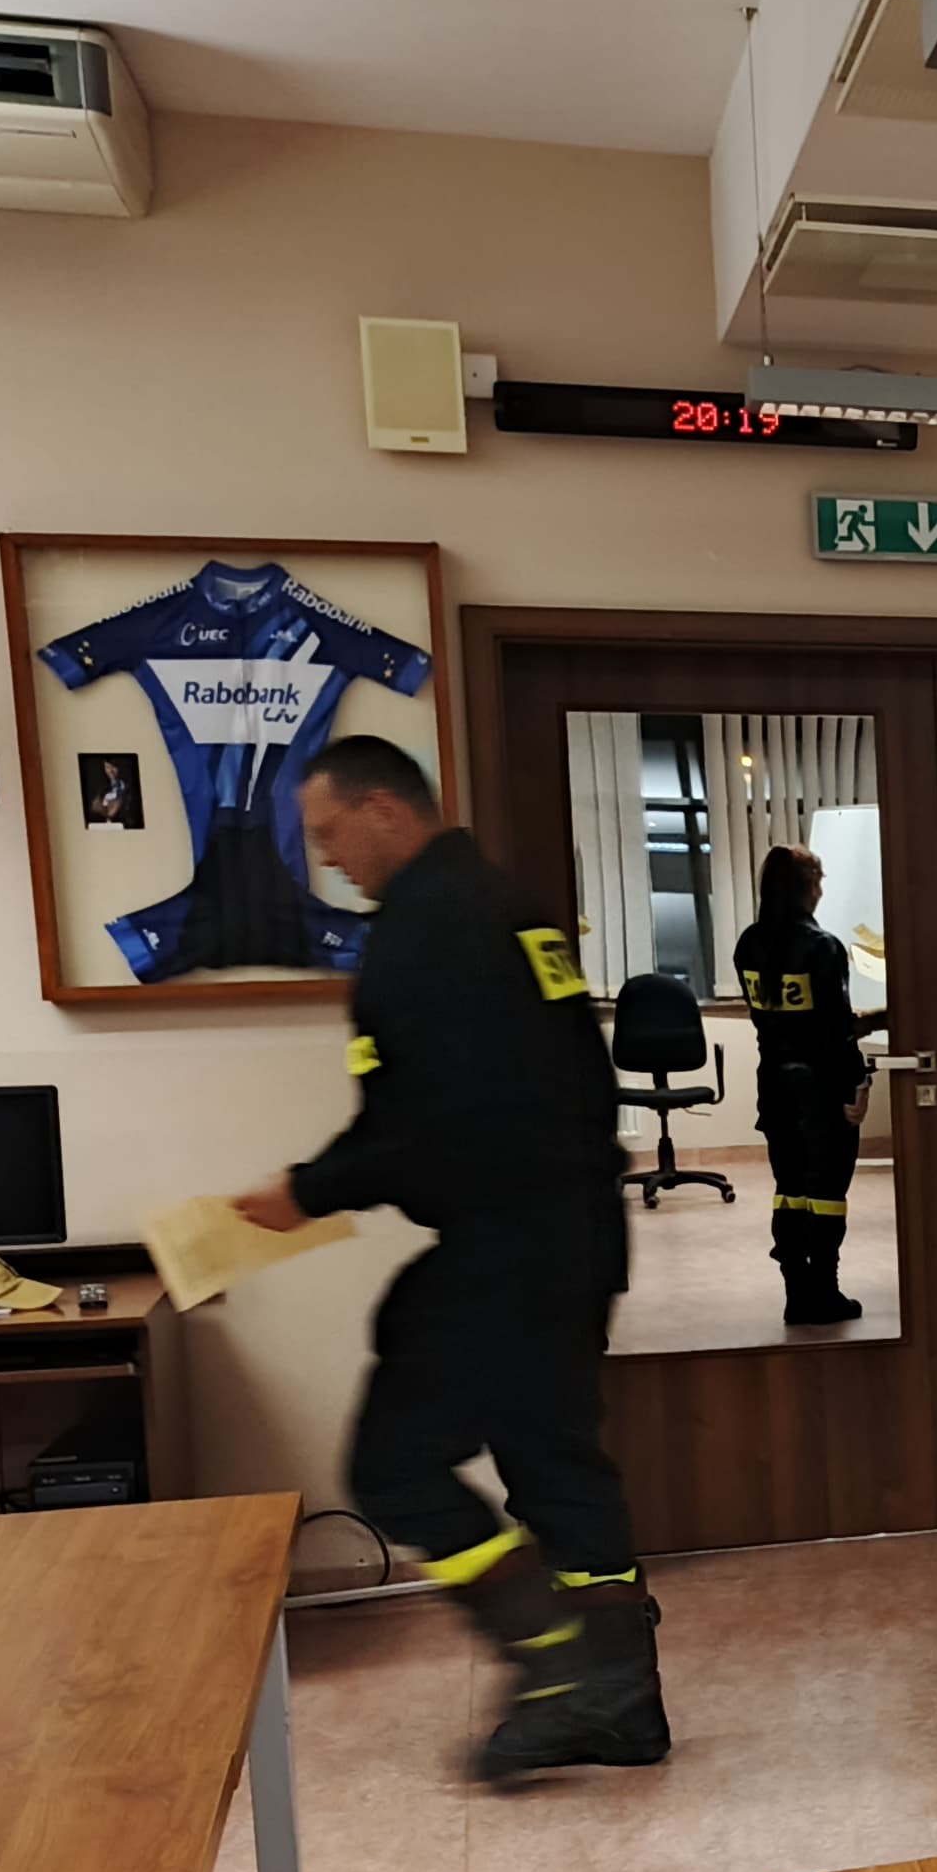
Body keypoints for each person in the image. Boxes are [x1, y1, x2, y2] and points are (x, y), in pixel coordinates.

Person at [235, 735, 669, 1782]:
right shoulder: (507, 909)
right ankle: (620, 1698)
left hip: (507, 1245)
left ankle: (556, 1662)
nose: (327, 856)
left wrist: (307, 1191)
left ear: (385, 808)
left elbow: (420, 1127)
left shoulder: (430, 931)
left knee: (392, 1463)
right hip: (570, 1232)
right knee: (553, 1458)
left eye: (331, 833)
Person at [732, 844, 887, 1325]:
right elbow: (836, 1030)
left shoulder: (749, 944)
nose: (822, 890)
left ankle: (797, 1292)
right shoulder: (823, 947)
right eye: (818, 881)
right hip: (821, 1089)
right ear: (805, 888)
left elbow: (776, 1018)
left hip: (774, 1087)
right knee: (826, 1194)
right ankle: (825, 1291)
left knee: (789, 1189)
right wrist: (859, 1082)